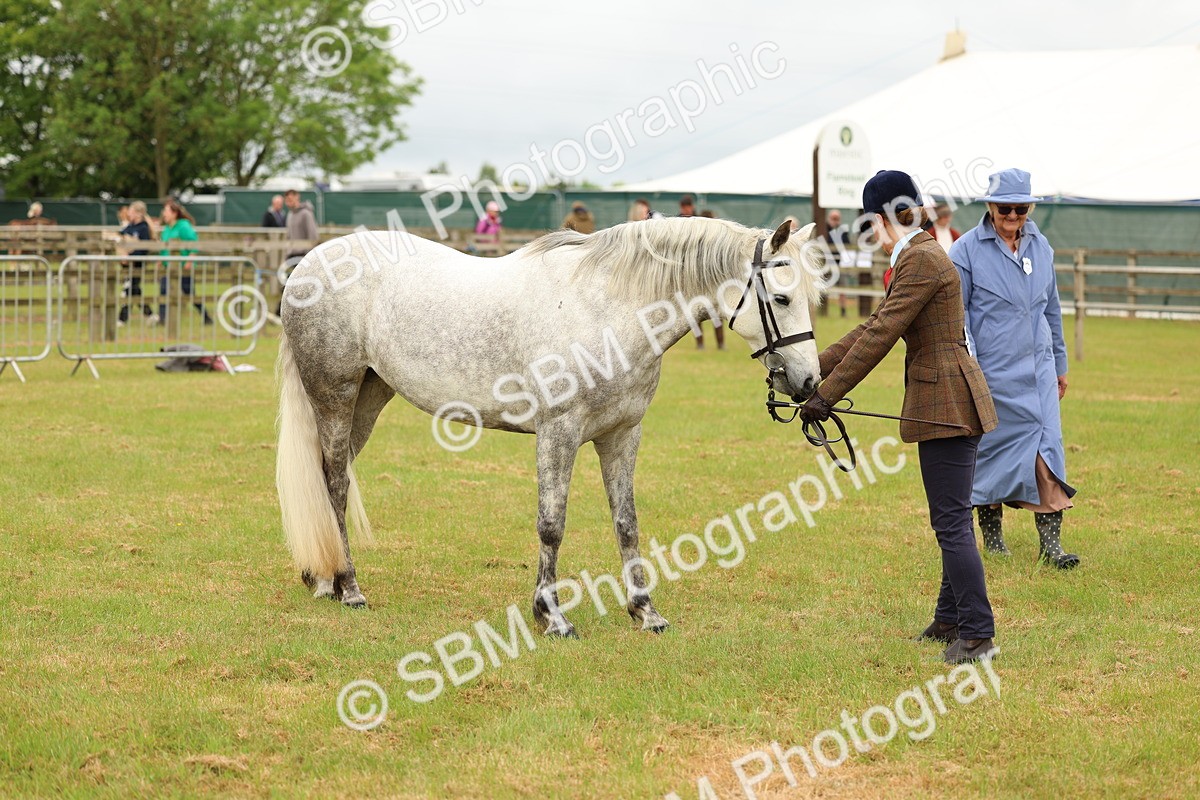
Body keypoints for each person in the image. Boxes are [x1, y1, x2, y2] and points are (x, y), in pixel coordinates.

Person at [800, 170, 999, 664]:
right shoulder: (920, 253)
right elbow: (874, 324)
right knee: (951, 518)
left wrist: (826, 395)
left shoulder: (920, 258)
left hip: (947, 400)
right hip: (949, 397)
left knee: (950, 522)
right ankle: (950, 618)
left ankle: (977, 633)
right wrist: (813, 368)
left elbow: (883, 332)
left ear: (884, 216)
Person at [950, 168, 1079, 569]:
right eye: (1005, 207)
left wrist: (1058, 363)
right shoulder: (966, 251)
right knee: (991, 455)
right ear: (990, 206)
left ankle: (1052, 546)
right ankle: (993, 540)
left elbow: (1052, 310)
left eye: (1021, 208)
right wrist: (970, 369)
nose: (1013, 216)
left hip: (1038, 368)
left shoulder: (1042, 248)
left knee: (1047, 449)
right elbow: (960, 317)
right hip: (992, 371)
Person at [157, 198, 212, 325]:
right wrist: (160, 259)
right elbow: (164, 246)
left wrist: (190, 260)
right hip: (169, 267)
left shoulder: (183, 226)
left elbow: (194, 243)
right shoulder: (167, 229)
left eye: (166, 211)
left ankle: (205, 316)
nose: (164, 214)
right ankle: (163, 319)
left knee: (189, 293)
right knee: (164, 290)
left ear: (174, 213)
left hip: (183, 267)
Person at [116, 201, 156, 324]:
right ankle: (150, 315)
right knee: (134, 290)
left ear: (138, 214)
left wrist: (130, 256)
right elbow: (121, 235)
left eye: (131, 212)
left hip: (137, 264)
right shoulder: (131, 226)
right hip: (128, 264)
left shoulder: (143, 228)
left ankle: (122, 319)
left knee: (128, 289)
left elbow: (144, 248)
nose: (129, 214)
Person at [823, 209, 852, 317]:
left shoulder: (842, 231)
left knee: (842, 289)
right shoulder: (824, 229)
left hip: (840, 265)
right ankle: (822, 311)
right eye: (833, 219)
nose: (835, 221)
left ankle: (843, 311)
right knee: (823, 287)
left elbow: (848, 245)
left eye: (837, 219)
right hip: (826, 264)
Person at [284, 190, 318, 260]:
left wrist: (309, 256)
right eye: (287, 200)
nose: (288, 203)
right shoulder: (290, 214)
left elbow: (313, 235)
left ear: (297, 197)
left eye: (290, 199)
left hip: (304, 255)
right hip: (292, 254)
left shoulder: (306, 214)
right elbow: (289, 236)